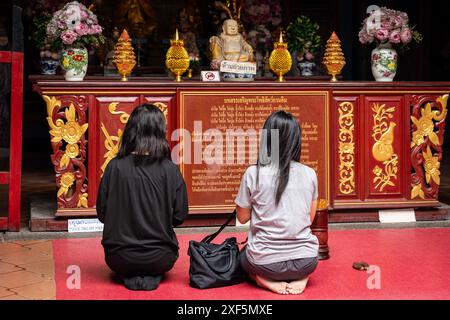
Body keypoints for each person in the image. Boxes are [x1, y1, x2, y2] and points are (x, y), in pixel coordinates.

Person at [97, 104, 188, 291]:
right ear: (160, 132)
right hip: (160, 258)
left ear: (130, 130)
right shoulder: (170, 170)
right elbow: (179, 217)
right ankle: (148, 275)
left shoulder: (114, 167)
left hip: (118, 258)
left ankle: (132, 274)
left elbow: (102, 214)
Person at [235, 110, 319, 295]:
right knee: (298, 260)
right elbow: (309, 219)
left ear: (267, 139)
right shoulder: (310, 173)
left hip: (265, 263)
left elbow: (242, 218)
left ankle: (262, 280)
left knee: (241, 258)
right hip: (307, 260)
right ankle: (302, 277)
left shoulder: (253, 173)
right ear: (296, 140)